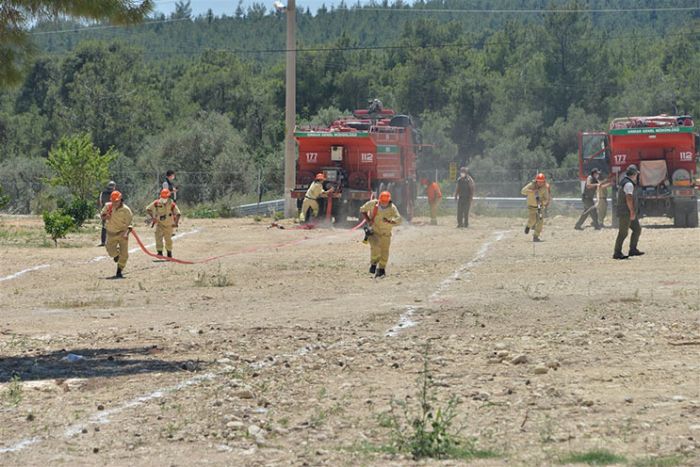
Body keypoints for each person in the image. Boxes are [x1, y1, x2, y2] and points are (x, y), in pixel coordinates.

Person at [360, 191, 402, 278]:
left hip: (385, 233)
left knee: (384, 251)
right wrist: (368, 220)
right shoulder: (373, 204)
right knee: (375, 246)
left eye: (385, 202)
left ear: (389, 201)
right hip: (374, 232)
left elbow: (398, 219)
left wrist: (390, 221)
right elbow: (362, 209)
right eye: (382, 202)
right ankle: (374, 263)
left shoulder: (392, 208)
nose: (383, 204)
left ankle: (381, 269)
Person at [613, 165, 644, 260]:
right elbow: (629, 198)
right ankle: (617, 253)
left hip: (627, 211)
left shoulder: (625, 182)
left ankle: (633, 250)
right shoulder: (629, 184)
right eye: (636, 174)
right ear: (634, 174)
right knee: (623, 233)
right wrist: (632, 211)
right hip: (626, 212)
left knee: (637, 229)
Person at [100, 191, 133, 279]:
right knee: (111, 252)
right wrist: (105, 216)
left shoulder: (126, 210)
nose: (114, 203)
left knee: (124, 255)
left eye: (116, 201)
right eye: (113, 201)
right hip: (111, 233)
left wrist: (126, 233)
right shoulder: (108, 206)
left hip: (122, 233)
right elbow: (102, 215)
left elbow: (130, 224)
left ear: (121, 200)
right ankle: (116, 255)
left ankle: (119, 271)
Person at [146, 188, 181, 258]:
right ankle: (159, 252)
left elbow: (178, 213)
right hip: (160, 224)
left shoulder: (171, 204)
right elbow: (148, 209)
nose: (164, 198)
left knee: (168, 239)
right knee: (158, 237)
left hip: (169, 225)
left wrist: (176, 223)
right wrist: (153, 217)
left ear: (168, 196)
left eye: (165, 197)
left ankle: (169, 253)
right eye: (163, 197)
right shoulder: (157, 203)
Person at [521, 173, 550, 242]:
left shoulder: (545, 188)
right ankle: (528, 226)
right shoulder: (531, 185)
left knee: (540, 221)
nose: (540, 183)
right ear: (536, 181)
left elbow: (546, 199)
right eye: (539, 181)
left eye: (542, 182)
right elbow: (523, 191)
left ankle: (536, 236)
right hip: (531, 206)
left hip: (540, 207)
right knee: (532, 220)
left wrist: (542, 202)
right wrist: (532, 191)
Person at [97, 180, 116, 246]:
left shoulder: (103, 193)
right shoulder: (115, 193)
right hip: (113, 212)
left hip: (105, 211)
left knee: (104, 227)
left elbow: (101, 202)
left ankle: (103, 241)